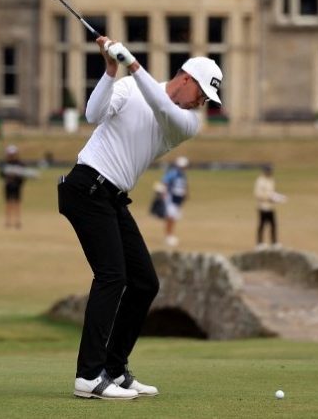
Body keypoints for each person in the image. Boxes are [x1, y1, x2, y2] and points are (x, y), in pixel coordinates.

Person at [57, 35, 222, 400]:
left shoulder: (186, 122)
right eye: (202, 95)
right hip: (86, 187)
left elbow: (161, 107)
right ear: (187, 78)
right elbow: (92, 115)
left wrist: (133, 65)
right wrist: (110, 71)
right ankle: (88, 376)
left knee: (145, 283)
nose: (202, 104)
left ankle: (114, 368)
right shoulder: (130, 87)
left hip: (112, 198)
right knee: (112, 276)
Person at [253, 164, 287, 249]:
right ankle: (259, 243)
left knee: (273, 225)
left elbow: (272, 192)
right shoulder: (260, 181)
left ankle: (274, 242)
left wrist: (277, 198)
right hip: (263, 207)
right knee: (262, 225)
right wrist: (269, 198)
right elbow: (258, 194)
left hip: (271, 207)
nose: (270, 172)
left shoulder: (271, 180)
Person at [161, 156, 190, 248]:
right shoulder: (173, 173)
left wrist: (186, 193)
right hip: (171, 198)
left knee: (174, 217)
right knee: (170, 217)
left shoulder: (183, 175)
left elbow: (184, 185)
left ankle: (170, 235)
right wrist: (164, 194)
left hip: (178, 199)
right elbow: (164, 182)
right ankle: (168, 236)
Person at [0, 145, 25, 228]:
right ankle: (8, 221)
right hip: (8, 186)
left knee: (17, 203)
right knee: (8, 203)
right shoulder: (4, 164)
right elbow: (1, 175)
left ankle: (17, 221)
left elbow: (23, 176)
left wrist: (17, 180)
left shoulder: (19, 164)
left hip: (17, 186)